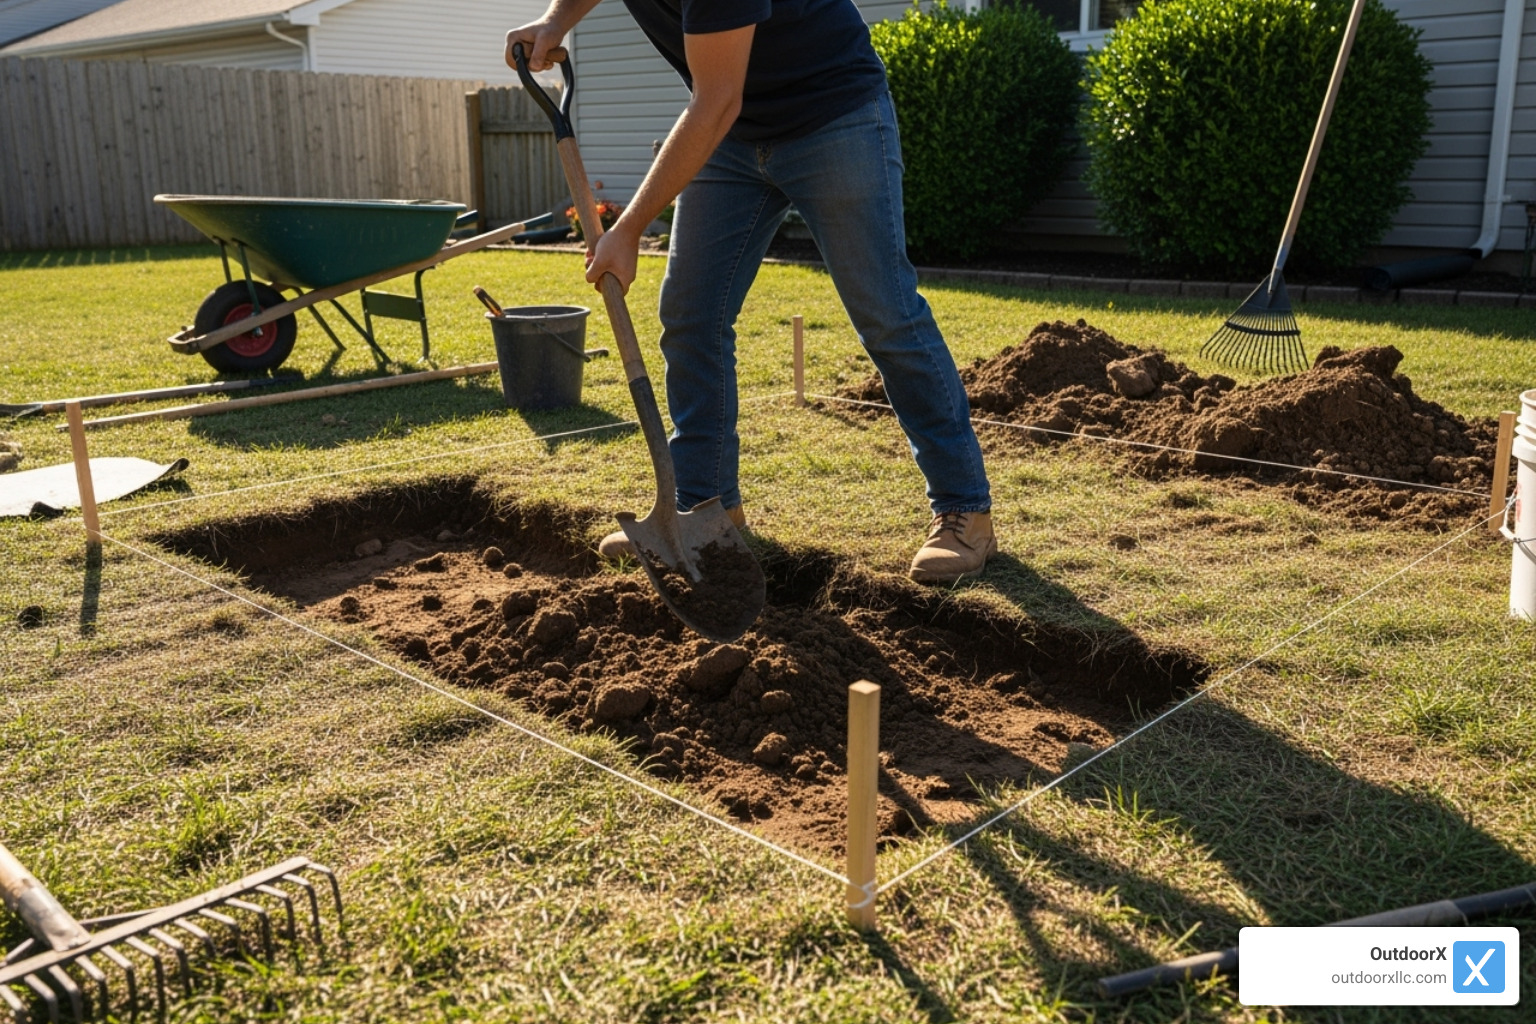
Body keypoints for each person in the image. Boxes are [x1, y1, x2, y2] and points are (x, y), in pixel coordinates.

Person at [506, 0, 996, 584]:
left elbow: (716, 100)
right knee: (691, 315)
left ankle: (965, 510)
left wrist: (630, 228)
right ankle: (707, 506)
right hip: (733, 136)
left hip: (832, 115)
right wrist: (556, 23)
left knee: (886, 313)